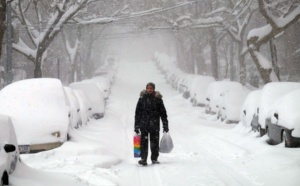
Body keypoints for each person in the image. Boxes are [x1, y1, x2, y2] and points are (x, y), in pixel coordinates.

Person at [134, 82, 169, 166]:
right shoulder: (142, 98)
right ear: (146, 89)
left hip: (154, 125)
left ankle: (154, 159)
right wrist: (136, 125)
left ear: (154, 89)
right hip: (144, 125)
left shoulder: (158, 99)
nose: (149, 89)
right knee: (143, 143)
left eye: (151, 88)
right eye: (148, 88)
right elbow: (138, 113)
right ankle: (143, 159)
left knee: (154, 143)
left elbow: (163, 113)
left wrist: (165, 125)